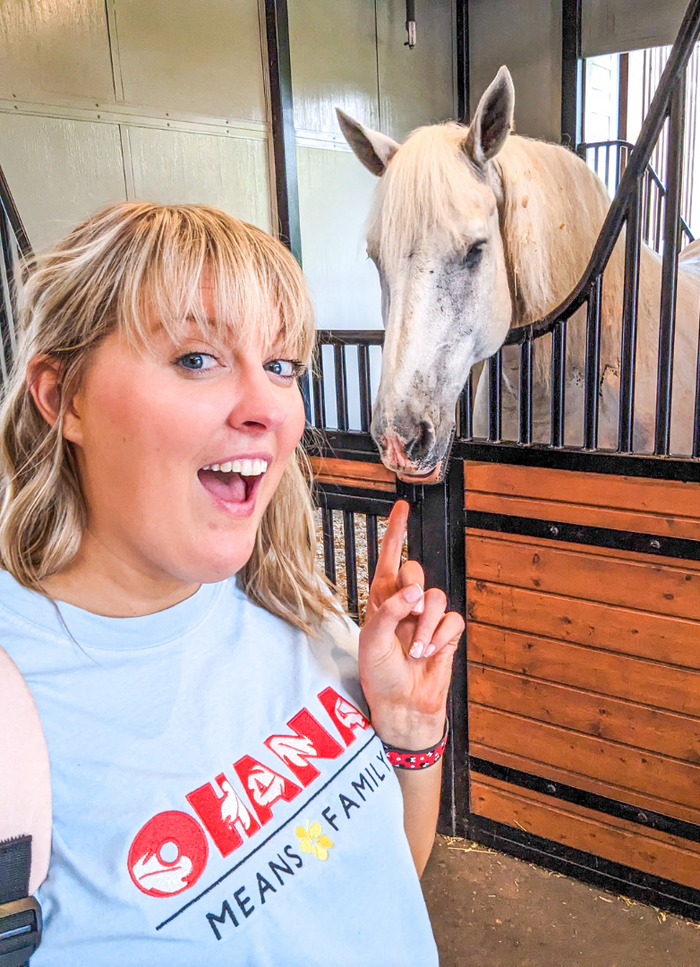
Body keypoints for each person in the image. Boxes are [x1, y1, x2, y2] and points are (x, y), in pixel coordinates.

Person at [0, 202, 464, 966]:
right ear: (63, 397)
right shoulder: (19, 704)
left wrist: (411, 730)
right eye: (196, 359)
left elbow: (384, 883)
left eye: (281, 366)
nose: (267, 409)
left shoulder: (299, 604)